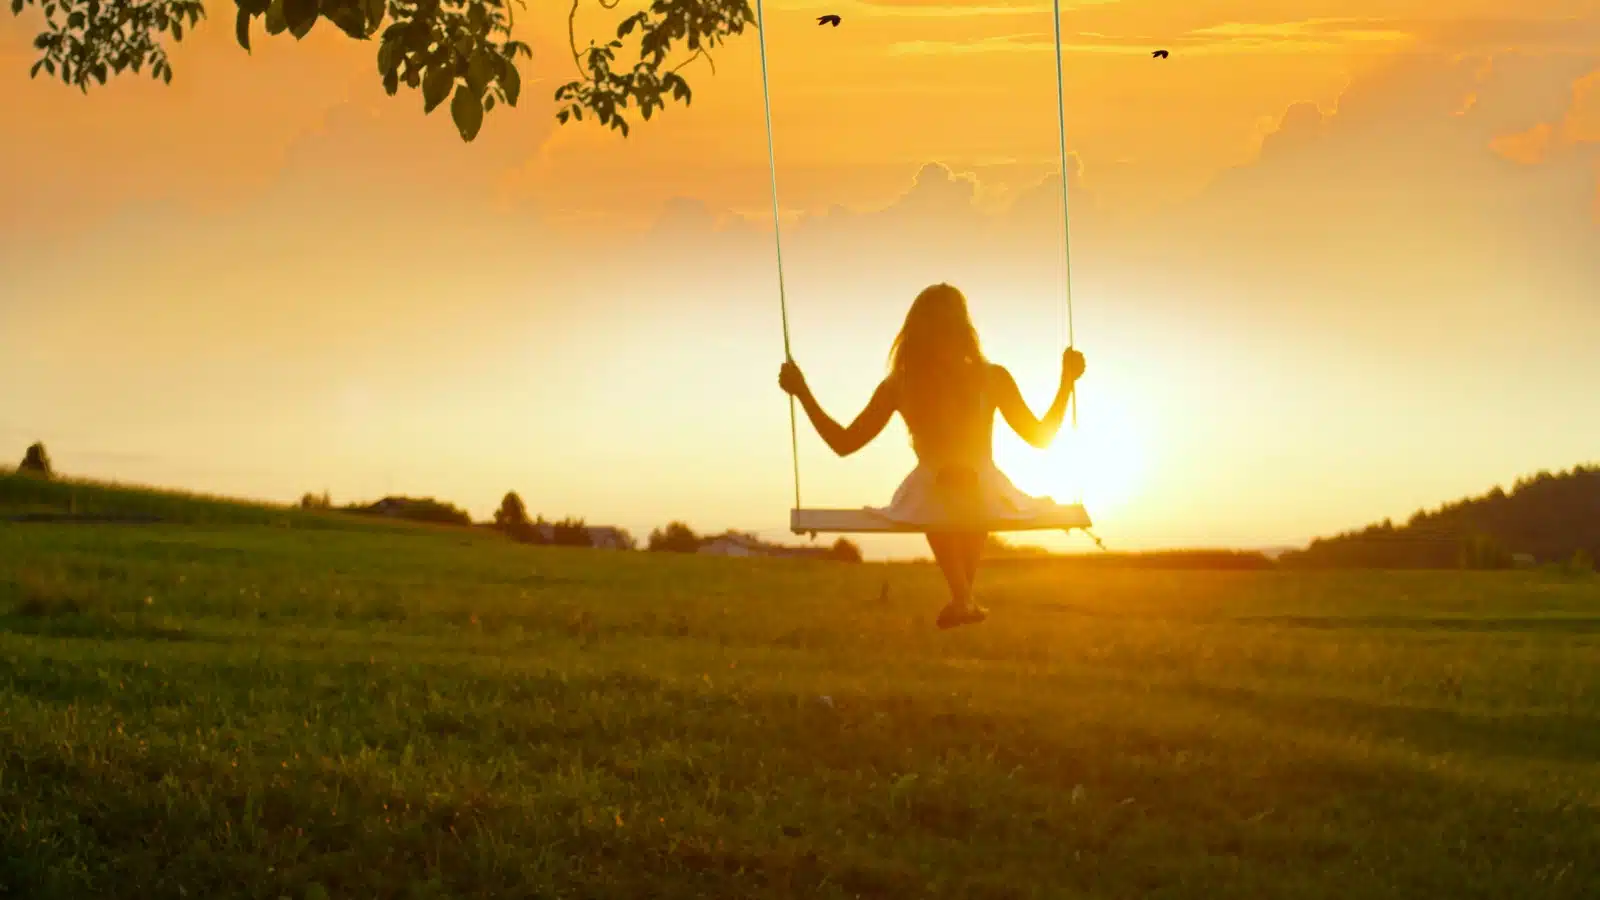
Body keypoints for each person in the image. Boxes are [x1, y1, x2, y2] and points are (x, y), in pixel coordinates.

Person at [777, 282, 1086, 629]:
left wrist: (803, 392)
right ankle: (963, 598)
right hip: (965, 491)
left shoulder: (910, 384)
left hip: (960, 492)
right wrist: (1066, 383)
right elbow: (1041, 437)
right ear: (964, 329)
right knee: (953, 487)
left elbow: (844, 443)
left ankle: (962, 598)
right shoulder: (974, 379)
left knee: (956, 488)